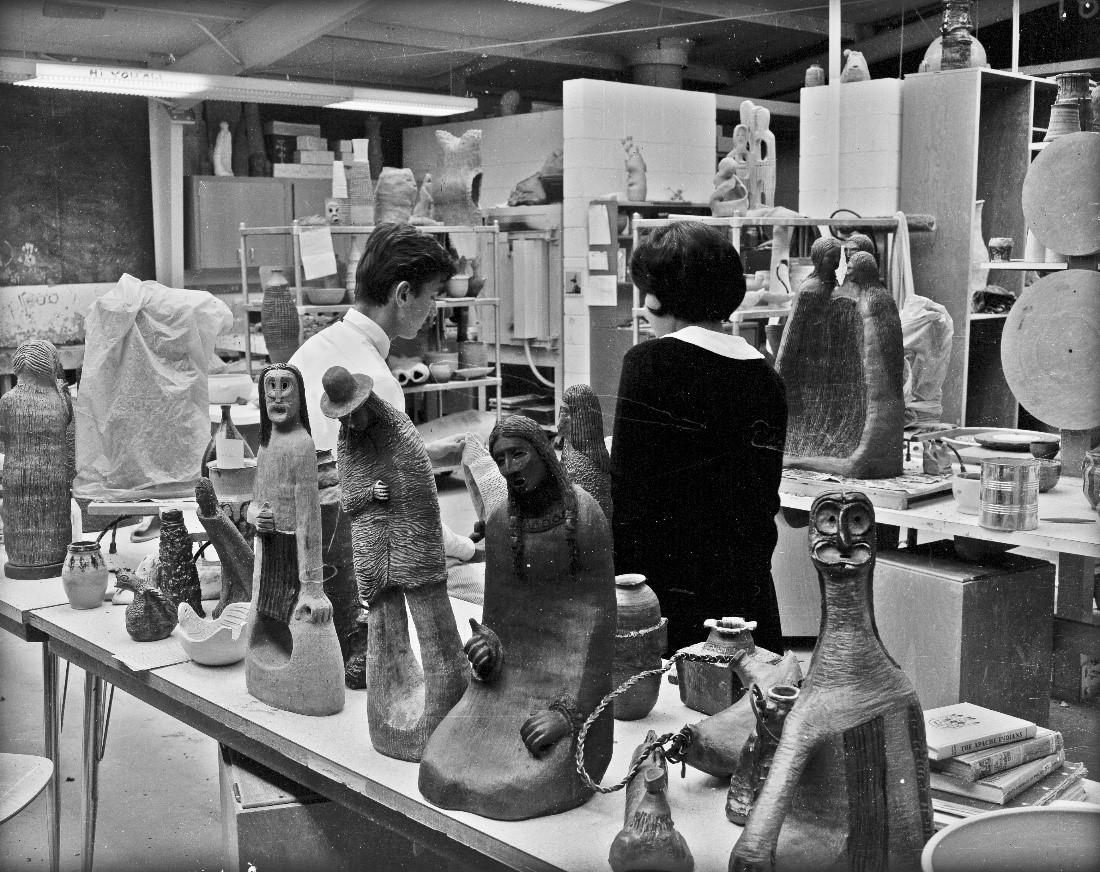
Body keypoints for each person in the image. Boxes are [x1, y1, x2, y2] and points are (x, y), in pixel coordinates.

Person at [419, 416, 616, 820]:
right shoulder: (501, 522)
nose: (510, 467)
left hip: (568, 689)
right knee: (441, 763)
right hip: (507, 685)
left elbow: (598, 627)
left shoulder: (585, 515)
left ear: (543, 454)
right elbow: (496, 623)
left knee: (527, 775)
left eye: (519, 454)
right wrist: (486, 647)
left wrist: (567, 716)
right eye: (501, 459)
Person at [610, 221, 787, 655]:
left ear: (654, 299)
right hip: (748, 586)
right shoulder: (766, 375)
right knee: (749, 705)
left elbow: (628, 495)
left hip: (669, 593)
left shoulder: (649, 362)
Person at [289, 222, 474, 560]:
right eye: (431, 296)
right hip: (340, 550)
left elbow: (340, 457)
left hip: (293, 535)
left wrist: (421, 453)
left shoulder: (313, 348)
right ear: (403, 294)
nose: (433, 310)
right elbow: (408, 506)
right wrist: (467, 550)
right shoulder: (377, 382)